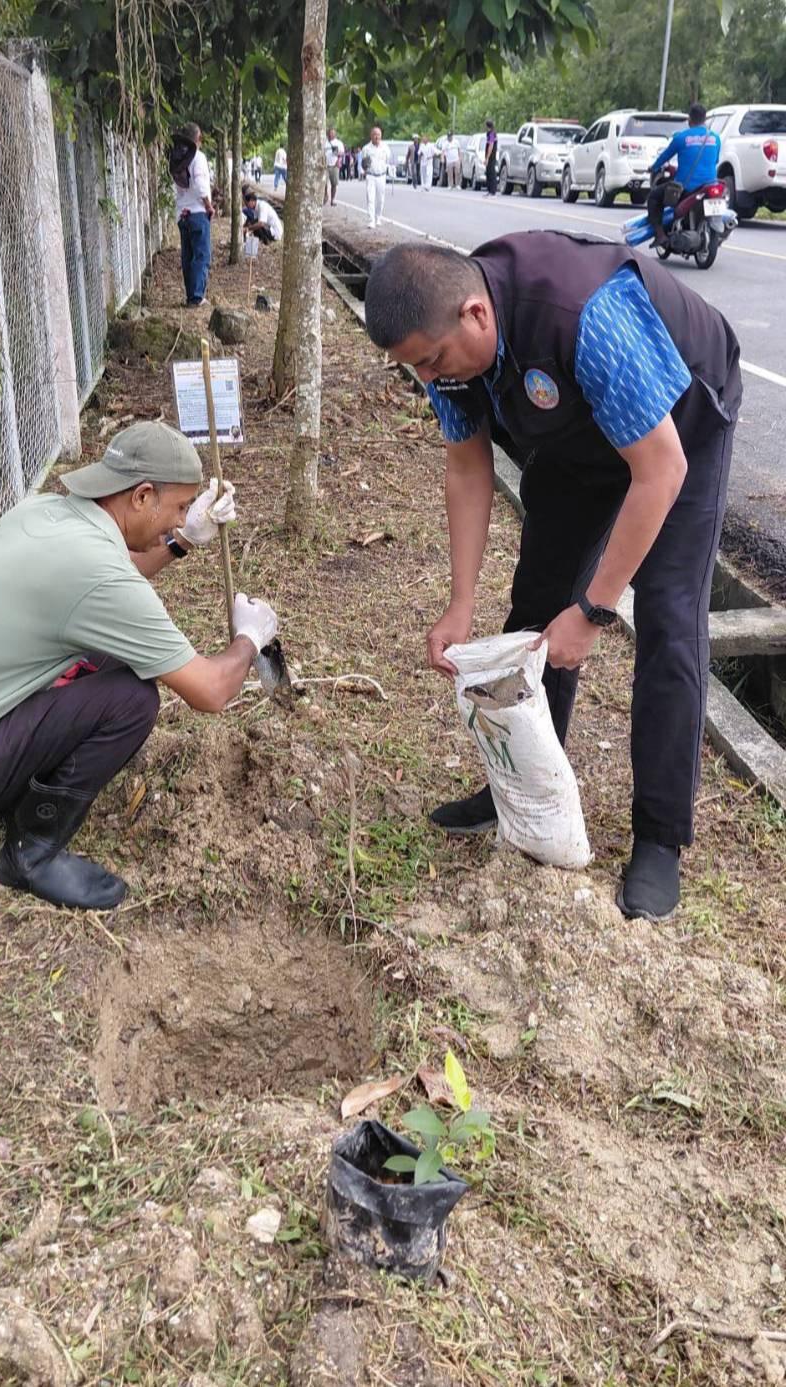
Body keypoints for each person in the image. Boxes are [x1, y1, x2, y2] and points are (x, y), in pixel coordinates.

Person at [363, 233, 741, 922]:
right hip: (577, 436)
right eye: (413, 366)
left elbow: (659, 471)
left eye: (431, 360)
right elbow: (468, 467)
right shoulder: (448, 359)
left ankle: (659, 836)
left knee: (668, 617)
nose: (428, 377)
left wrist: (594, 610)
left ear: (477, 314)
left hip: (678, 426)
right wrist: (459, 602)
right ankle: (523, 785)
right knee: (537, 603)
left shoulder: (585, 314)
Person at [0, 423, 280, 911]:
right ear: (141, 495)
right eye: (178, 509)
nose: (178, 521)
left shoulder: (48, 512)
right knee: (132, 698)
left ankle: (19, 795)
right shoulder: (98, 575)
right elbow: (211, 691)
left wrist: (185, 541)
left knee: (111, 655)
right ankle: (30, 854)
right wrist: (249, 639)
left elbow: (115, 578)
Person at [647, 102, 721, 247]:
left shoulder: (681, 138)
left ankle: (660, 235)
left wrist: (653, 168)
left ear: (689, 120)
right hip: (711, 185)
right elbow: (716, 160)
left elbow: (664, 157)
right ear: (704, 120)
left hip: (686, 188)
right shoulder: (715, 138)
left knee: (654, 197)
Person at [170, 122, 213, 308]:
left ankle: (190, 295)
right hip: (197, 213)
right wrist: (208, 205)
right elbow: (201, 184)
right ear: (198, 139)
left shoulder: (176, 158)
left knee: (187, 256)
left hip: (182, 214)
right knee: (201, 255)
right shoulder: (198, 157)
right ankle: (197, 297)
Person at [361, 126, 390, 229]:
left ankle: (378, 218)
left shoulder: (385, 148)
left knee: (380, 199)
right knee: (370, 198)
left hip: (382, 176)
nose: (376, 137)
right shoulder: (366, 148)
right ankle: (371, 220)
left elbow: (388, 161)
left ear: (381, 136)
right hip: (370, 176)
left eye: (378, 135)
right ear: (371, 136)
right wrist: (364, 170)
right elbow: (363, 164)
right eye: (375, 134)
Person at [324, 126, 345, 206]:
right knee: (324, 183)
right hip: (325, 165)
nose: (331, 135)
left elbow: (342, 153)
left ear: (335, 134)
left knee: (334, 184)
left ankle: (332, 200)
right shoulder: (324, 142)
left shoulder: (338, 143)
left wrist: (338, 157)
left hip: (334, 165)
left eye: (332, 133)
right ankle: (325, 195)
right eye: (329, 133)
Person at [483, 120, 498, 196]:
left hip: (491, 156)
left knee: (491, 173)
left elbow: (491, 145)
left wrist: (487, 157)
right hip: (489, 156)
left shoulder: (492, 134)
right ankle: (489, 190)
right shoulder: (489, 133)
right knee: (488, 173)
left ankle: (493, 191)